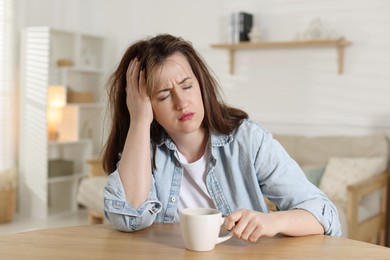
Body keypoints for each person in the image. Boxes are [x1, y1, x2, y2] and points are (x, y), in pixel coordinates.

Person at [102, 34, 341, 242]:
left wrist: (272, 222)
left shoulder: (248, 140)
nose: (181, 103)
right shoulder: (144, 149)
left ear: (201, 84)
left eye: (187, 86)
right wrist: (139, 121)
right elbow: (128, 219)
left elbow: (324, 214)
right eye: (164, 96)